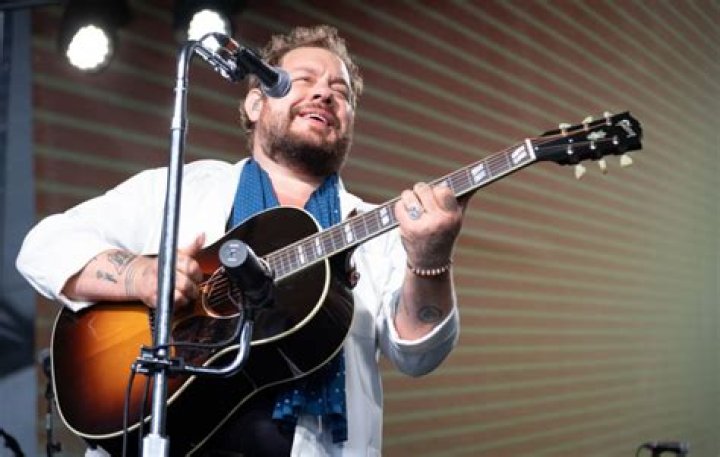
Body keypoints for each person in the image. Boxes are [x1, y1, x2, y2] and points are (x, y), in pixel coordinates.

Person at [17, 25, 468, 456]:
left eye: (341, 91)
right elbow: (44, 246)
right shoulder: (182, 187)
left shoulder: (375, 228)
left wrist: (430, 259)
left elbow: (419, 354)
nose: (324, 94)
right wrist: (138, 275)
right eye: (303, 79)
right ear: (255, 103)